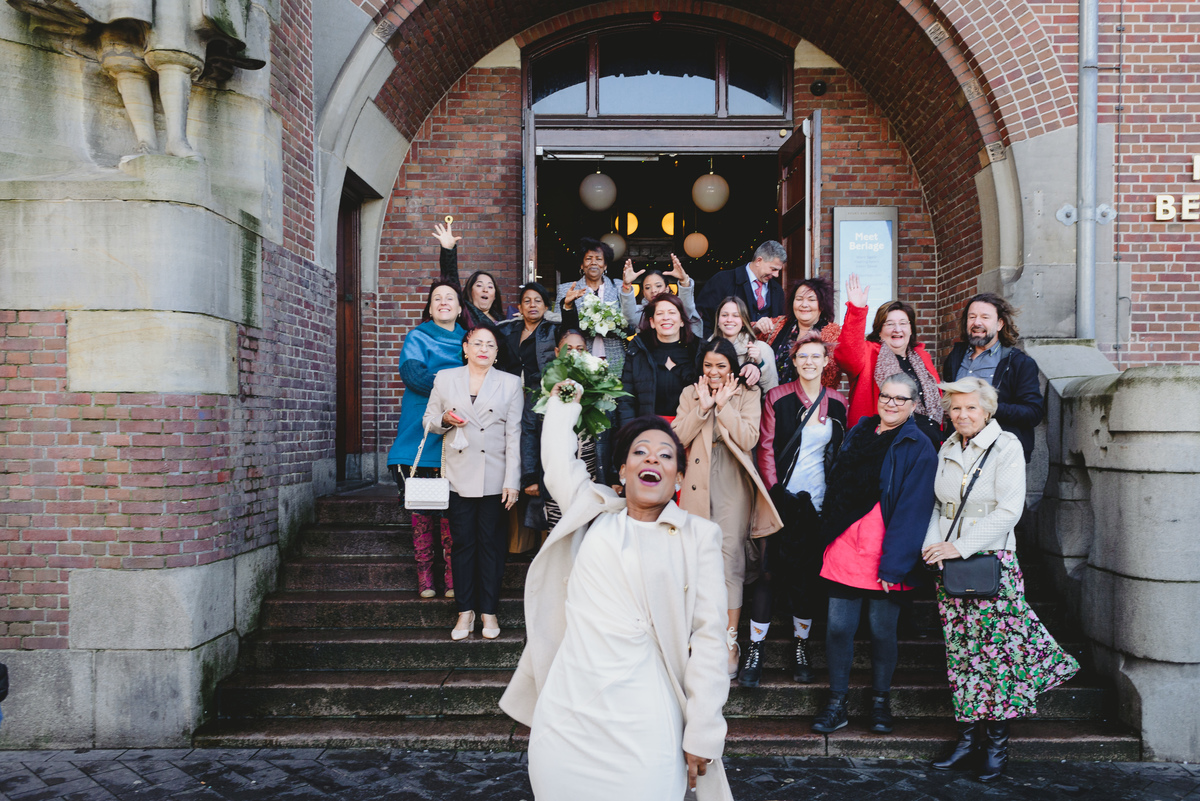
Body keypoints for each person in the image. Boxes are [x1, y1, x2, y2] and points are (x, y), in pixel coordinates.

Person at [499, 388, 733, 801]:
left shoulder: (699, 536)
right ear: (623, 471)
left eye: (665, 456)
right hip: (569, 708)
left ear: (679, 478)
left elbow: (711, 638)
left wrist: (703, 729)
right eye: (640, 452)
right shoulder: (592, 511)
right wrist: (565, 402)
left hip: (646, 715)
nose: (652, 460)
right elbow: (557, 463)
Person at [922, 377, 1078, 782]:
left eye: (971, 407)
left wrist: (960, 547)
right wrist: (933, 547)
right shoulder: (948, 445)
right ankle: (967, 739)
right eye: (955, 407)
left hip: (991, 560)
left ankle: (996, 744)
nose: (962, 414)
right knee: (962, 656)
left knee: (996, 656)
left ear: (987, 410)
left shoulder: (1005, 446)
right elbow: (941, 505)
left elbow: (1010, 511)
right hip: (951, 566)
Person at [811, 372, 937, 735]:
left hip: (887, 551)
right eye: (886, 396)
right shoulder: (861, 430)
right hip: (845, 546)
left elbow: (914, 510)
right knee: (838, 628)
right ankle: (837, 702)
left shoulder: (918, 444)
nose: (891, 404)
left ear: (914, 405)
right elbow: (837, 483)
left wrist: (895, 565)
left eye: (901, 399)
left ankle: (880, 701)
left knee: (883, 631)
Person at [672, 339, 782, 680]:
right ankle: (700, 638)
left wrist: (723, 406)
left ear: (731, 368)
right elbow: (677, 437)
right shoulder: (691, 393)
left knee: (730, 560)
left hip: (733, 482)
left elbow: (749, 437)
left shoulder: (748, 394)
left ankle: (730, 641)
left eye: (721, 365)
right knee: (695, 561)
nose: (714, 372)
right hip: (697, 482)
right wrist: (703, 407)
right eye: (708, 365)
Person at [754, 333, 849, 686]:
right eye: (802, 357)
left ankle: (801, 647)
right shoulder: (777, 398)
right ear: (793, 362)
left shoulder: (838, 402)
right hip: (781, 500)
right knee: (768, 571)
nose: (809, 362)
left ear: (826, 362)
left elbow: (840, 454)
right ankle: (756, 650)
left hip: (818, 503)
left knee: (806, 580)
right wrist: (775, 491)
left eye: (816, 356)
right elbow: (765, 447)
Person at [423, 323, 523, 641]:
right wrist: (444, 420)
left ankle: (489, 612)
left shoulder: (510, 383)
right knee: (463, 545)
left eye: (490, 345)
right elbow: (428, 421)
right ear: (465, 347)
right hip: (458, 475)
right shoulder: (445, 378)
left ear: (496, 353)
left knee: (492, 547)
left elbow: (515, 435)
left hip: (496, 477)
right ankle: (465, 612)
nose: (483, 348)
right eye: (476, 342)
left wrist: (513, 481)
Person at [386, 281, 467, 599]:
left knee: (450, 512)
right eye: (437, 299)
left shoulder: (468, 339)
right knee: (421, 509)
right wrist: (454, 387)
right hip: (421, 432)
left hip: (457, 435)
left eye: (450, 298)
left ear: (461, 308)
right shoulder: (418, 335)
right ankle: (425, 579)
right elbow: (414, 375)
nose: (443, 302)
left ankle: (450, 578)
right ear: (430, 308)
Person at [522, 328, 616, 531]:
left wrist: (614, 475)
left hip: (592, 469)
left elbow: (614, 431)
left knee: (593, 532)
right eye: (568, 348)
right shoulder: (542, 386)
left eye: (580, 349)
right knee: (560, 530)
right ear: (557, 352)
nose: (574, 353)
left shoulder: (599, 383)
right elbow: (529, 431)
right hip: (556, 472)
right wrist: (530, 475)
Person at [836, 274, 944, 443]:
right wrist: (856, 310)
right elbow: (846, 357)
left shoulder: (922, 357)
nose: (897, 329)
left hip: (926, 441)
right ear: (879, 330)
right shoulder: (869, 353)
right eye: (889, 323)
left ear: (911, 328)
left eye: (903, 323)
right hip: (879, 442)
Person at [942, 293, 1043, 463]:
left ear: (999, 324)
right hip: (958, 451)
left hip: (1000, 453)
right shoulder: (955, 358)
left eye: (985, 317)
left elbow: (1033, 413)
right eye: (971, 317)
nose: (977, 323)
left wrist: (986, 408)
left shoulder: (1020, 363)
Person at [617, 292, 698, 427]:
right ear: (652, 322)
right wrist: (630, 433)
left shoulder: (698, 350)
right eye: (660, 314)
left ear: (682, 321)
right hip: (648, 429)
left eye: (672, 312)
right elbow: (626, 398)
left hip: (689, 429)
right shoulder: (638, 350)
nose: (666, 318)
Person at [551, 238, 628, 373]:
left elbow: (630, 321)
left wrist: (614, 324)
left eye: (598, 259)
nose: (593, 262)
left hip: (614, 357)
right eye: (588, 259)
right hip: (579, 358)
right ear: (582, 265)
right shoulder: (566, 289)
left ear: (605, 266)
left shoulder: (619, 287)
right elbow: (560, 329)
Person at [762, 276, 842, 388]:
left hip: (817, 401)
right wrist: (758, 326)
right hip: (775, 400)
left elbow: (853, 362)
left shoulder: (835, 335)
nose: (804, 304)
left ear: (822, 304)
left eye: (811, 299)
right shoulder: (779, 325)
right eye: (799, 299)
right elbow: (742, 331)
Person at [696, 240, 787, 338]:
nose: (776, 275)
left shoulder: (777, 290)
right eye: (773, 269)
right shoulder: (722, 280)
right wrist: (714, 347)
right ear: (759, 261)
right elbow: (702, 320)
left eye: (778, 270)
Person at [432, 221, 506, 329]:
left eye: (490, 286)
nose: (485, 290)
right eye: (479, 285)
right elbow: (451, 283)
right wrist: (448, 250)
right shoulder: (466, 313)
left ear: (494, 296)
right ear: (470, 292)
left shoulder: (504, 320)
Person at [619, 253, 704, 337]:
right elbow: (629, 314)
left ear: (667, 288)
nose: (653, 290)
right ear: (644, 292)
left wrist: (684, 280)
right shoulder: (641, 313)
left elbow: (686, 308)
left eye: (658, 286)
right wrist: (626, 285)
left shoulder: (677, 307)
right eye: (648, 288)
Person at [711, 296, 778, 392]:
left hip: (750, 405)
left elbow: (772, 392)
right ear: (718, 320)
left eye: (736, 315)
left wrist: (760, 363)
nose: (729, 320)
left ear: (743, 322)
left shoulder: (761, 348)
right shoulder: (708, 347)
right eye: (725, 315)